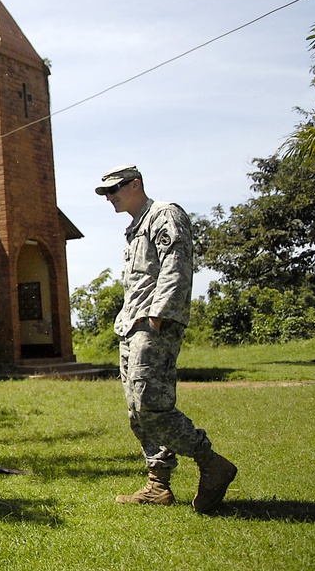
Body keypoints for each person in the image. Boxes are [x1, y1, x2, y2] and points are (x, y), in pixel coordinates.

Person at [96, 164, 237, 513]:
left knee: (151, 407)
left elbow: (177, 264)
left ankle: (212, 464)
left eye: (115, 190)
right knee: (136, 411)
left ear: (136, 184)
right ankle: (157, 484)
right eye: (106, 193)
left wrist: (158, 316)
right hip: (131, 326)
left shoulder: (165, 215)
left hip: (153, 324)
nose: (110, 197)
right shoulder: (134, 229)